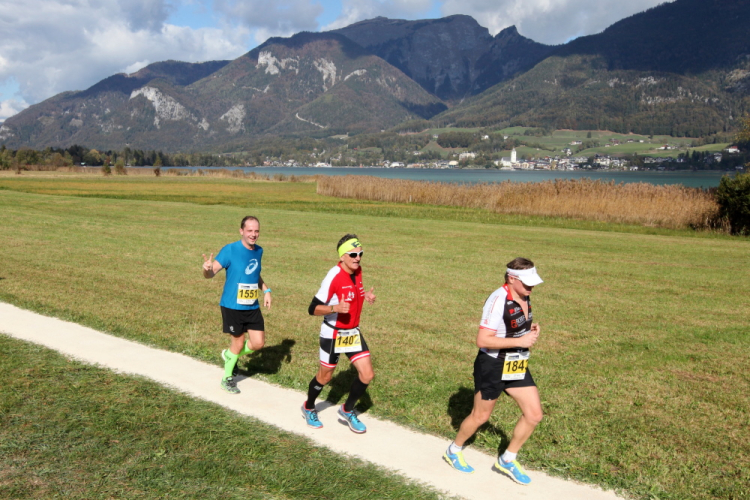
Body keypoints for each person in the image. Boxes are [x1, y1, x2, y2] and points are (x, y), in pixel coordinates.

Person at [443, 257, 544, 485]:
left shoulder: (524, 295)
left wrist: (529, 329)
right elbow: (483, 340)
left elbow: (511, 325)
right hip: (492, 365)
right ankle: (454, 450)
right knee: (481, 416)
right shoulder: (498, 300)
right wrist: (521, 341)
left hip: (515, 362)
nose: (532, 287)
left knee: (534, 415)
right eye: (527, 282)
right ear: (512, 278)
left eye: (533, 282)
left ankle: (507, 459)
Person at [302, 234, 376, 433]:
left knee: (367, 374)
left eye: (360, 254)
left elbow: (353, 292)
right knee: (325, 377)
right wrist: (334, 308)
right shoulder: (333, 276)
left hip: (352, 332)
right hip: (333, 334)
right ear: (342, 256)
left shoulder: (357, 270)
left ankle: (347, 410)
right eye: (353, 254)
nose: (357, 258)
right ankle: (308, 407)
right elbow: (312, 308)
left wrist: (365, 295)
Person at [202, 216, 272, 394]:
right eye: (249, 231)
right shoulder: (230, 250)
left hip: (252, 306)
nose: (253, 234)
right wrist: (206, 269)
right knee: (238, 343)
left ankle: (229, 355)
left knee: (258, 343)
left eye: (256, 231)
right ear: (241, 231)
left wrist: (266, 290)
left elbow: (255, 274)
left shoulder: (259, 251)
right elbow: (210, 274)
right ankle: (227, 378)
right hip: (232, 306)